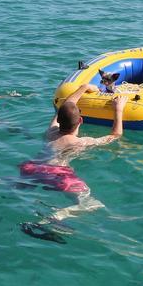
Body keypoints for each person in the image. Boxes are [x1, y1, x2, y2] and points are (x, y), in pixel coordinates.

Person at [19, 84, 127, 241]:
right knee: (91, 203)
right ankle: (53, 217)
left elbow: (65, 105)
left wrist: (83, 88)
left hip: (34, 167)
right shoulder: (81, 142)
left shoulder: (51, 131)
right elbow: (115, 135)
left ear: (59, 119)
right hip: (58, 174)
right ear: (81, 120)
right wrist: (119, 109)